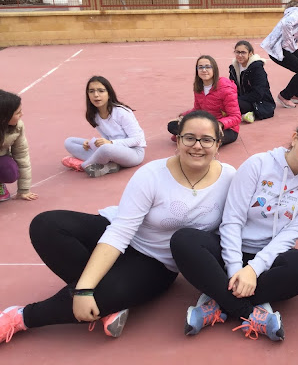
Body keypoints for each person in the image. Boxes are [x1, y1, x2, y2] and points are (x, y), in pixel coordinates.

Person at [1, 111, 235, 344]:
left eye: (206, 139)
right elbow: (120, 232)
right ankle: (101, 298)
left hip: (157, 263)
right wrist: (84, 289)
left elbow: (238, 228)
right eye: (189, 138)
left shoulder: (230, 178)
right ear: (178, 140)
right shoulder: (152, 175)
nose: (197, 146)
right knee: (46, 225)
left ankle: (21, 317)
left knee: (105, 295)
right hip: (124, 234)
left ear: (218, 144)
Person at [170, 115, 298, 342]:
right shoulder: (259, 164)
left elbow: (290, 236)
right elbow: (232, 220)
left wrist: (253, 270)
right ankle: (249, 312)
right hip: (228, 250)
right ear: (295, 137)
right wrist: (235, 270)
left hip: (267, 259)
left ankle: (217, 302)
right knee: (184, 240)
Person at [62, 76, 146, 178]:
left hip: (134, 152)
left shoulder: (121, 112)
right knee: (69, 142)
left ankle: (83, 165)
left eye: (101, 91)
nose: (96, 95)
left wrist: (111, 143)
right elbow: (106, 138)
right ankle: (108, 164)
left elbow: (137, 139)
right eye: (91, 91)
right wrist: (91, 143)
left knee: (106, 149)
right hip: (111, 149)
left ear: (109, 94)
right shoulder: (94, 115)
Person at [168, 55, 241, 146]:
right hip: (204, 124)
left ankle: (192, 138)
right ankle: (198, 139)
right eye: (200, 67)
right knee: (172, 125)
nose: (204, 70)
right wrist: (183, 116)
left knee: (212, 136)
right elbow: (197, 109)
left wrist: (219, 124)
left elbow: (236, 116)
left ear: (214, 69)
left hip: (225, 128)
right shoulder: (198, 87)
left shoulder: (226, 88)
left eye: (208, 67)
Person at [0, 89, 37, 201]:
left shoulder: (18, 127)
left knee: (9, 170)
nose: (22, 114)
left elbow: (22, 156)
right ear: (4, 116)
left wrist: (23, 190)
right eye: (18, 113)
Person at [229, 40, 276, 123]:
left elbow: (258, 94)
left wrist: (235, 99)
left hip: (259, 102)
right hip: (243, 99)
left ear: (250, 53)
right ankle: (246, 114)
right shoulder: (234, 68)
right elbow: (232, 87)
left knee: (233, 103)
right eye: (237, 52)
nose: (240, 55)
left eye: (243, 52)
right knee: (222, 100)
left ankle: (249, 113)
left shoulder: (257, 68)